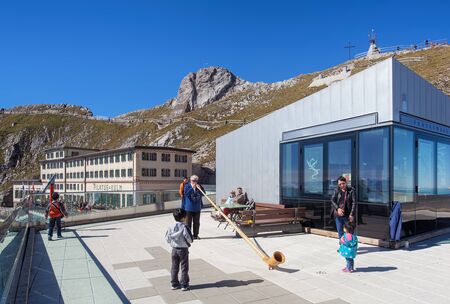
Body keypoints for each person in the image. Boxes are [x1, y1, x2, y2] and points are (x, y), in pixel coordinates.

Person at [165, 208, 193, 291]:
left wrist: (172, 242)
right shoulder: (184, 227)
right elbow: (189, 238)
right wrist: (189, 242)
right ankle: (184, 284)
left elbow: (167, 238)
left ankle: (174, 284)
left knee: (174, 266)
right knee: (184, 267)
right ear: (184, 218)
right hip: (183, 249)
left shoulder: (171, 226)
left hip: (174, 249)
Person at [182, 175, 203, 239]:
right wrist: (192, 188)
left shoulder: (199, 186)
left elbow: (203, 193)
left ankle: (196, 235)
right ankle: (188, 235)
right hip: (189, 208)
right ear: (190, 180)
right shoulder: (187, 186)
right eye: (193, 181)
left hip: (197, 208)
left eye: (196, 181)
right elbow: (186, 194)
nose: (195, 182)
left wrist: (200, 189)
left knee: (196, 222)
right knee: (188, 223)